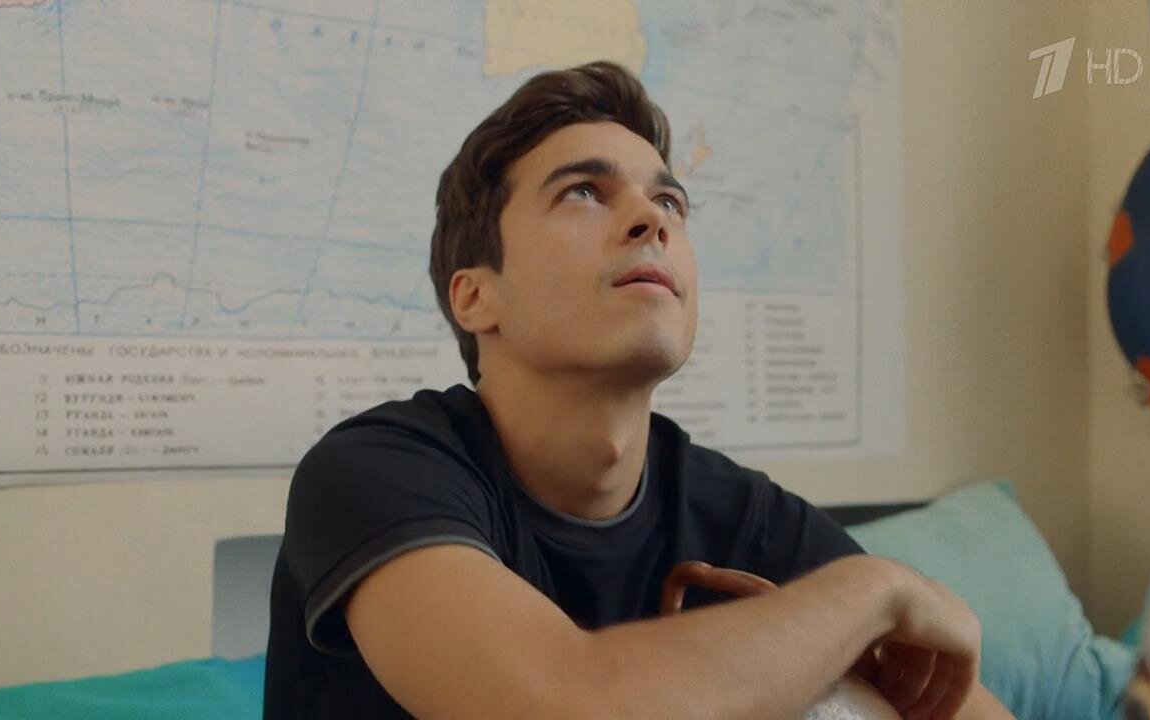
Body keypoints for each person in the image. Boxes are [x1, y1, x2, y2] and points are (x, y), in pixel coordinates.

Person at [264, 61, 1010, 719]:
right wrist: (874, 592)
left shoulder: (735, 511)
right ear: (476, 297)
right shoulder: (370, 472)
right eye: (584, 192)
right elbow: (573, 706)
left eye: (670, 203)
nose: (651, 219)